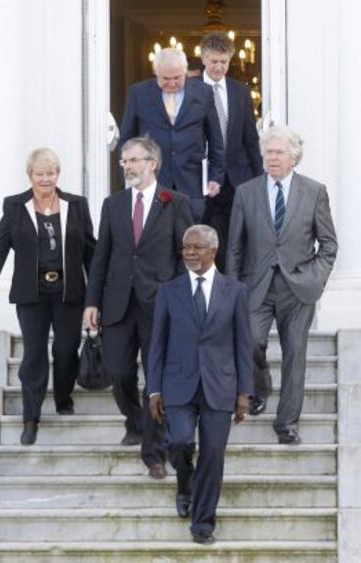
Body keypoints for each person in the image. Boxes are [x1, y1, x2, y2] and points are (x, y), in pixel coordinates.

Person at [0, 148, 95, 446]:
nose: (46, 179)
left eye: (51, 173)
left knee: (65, 350)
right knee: (34, 355)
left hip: (69, 293)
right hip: (31, 294)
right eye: (40, 174)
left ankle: (63, 398)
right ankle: (30, 417)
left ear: (57, 175)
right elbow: (0, 247)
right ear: (30, 176)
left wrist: (98, 294)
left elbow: (90, 250)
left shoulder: (76, 205)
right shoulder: (14, 206)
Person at [84, 136, 193, 480]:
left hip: (160, 305)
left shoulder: (175, 202)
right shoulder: (112, 204)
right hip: (117, 303)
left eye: (134, 160)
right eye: (124, 161)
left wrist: (178, 298)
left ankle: (154, 453)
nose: (128, 167)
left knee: (156, 379)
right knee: (118, 372)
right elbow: (101, 257)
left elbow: (185, 256)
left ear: (153, 163)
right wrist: (92, 302)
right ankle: (135, 421)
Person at [226, 126, 338, 444]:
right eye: (268, 152)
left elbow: (329, 245)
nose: (271, 158)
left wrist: (316, 279)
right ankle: (260, 389)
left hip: (299, 288)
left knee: (295, 354)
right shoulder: (246, 192)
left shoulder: (314, 191)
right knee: (249, 343)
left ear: (293, 157)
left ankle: (287, 422)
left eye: (278, 153)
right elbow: (234, 248)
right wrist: (234, 290)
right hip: (255, 287)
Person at [148, 224, 253, 545]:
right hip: (177, 383)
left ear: (213, 251)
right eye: (185, 248)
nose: (189, 253)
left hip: (220, 385)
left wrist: (244, 392)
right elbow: (157, 344)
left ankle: (203, 522)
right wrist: (154, 388)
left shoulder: (235, 291)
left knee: (214, 454)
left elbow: (243, 345)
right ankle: (184, 482)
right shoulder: (169, 291)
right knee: (179, 442)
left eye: (196, 248)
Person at [120, 47, 225, 222]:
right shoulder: (139, 93)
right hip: (151, 180)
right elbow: (127, 138)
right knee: (154, 241)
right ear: (156, 74)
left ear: (185, 72)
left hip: (192, 182)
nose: (172, 83)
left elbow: (216, 141)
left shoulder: (204, 92)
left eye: (177, 78)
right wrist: (131, 174)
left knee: (189, 242)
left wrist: (215, 177)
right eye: (165, 79)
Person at [200, 32, 263, 271]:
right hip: (205, 180)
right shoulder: (192, 90)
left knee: (238, 241)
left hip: (239, 178)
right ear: (204, 59)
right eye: (214, 61)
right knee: (208, 239)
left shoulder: (240, 91)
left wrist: (260, 180)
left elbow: (250, 138)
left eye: (224, 62)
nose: (219, 67)